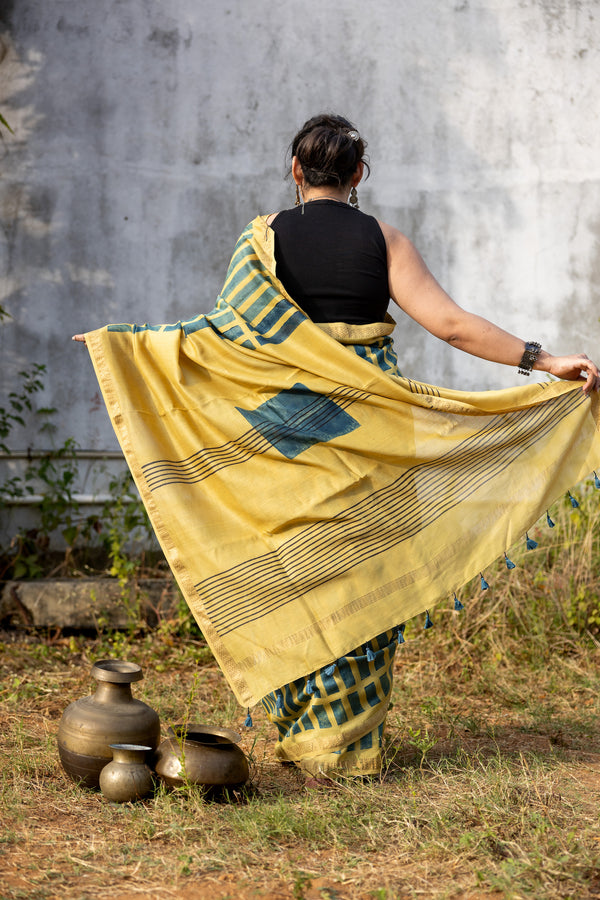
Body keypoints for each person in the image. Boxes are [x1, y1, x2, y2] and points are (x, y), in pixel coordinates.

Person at [73, 113, 600, 786]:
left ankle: (305, 740)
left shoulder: (261, 241)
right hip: (376, 433)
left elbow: (221, 336)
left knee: (295, 573)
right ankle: (346, 752)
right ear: (358, 174)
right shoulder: (383, 239)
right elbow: (450, 325)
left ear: (295, 171)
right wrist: (542, 358)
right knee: (367, 578)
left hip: (288, 440)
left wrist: (125, 345)